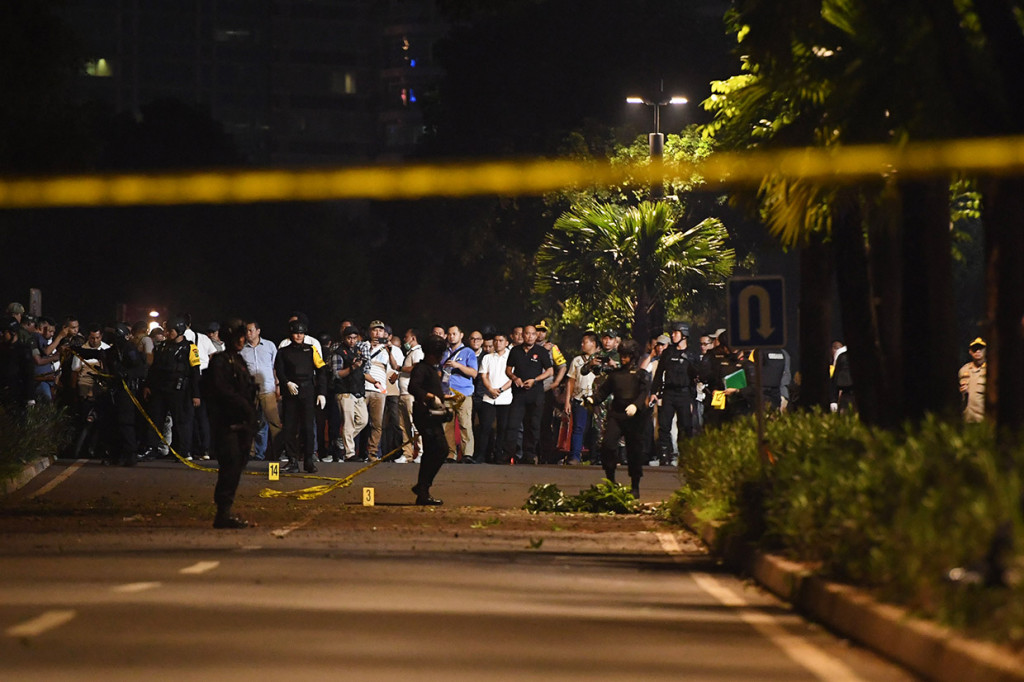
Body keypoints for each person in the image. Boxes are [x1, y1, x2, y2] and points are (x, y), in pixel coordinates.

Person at [204, 323, 258, 529]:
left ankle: (225, 510)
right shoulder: (220, 361)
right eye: (240, 336)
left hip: (242, 422)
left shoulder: (238, 360)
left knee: (238, 464)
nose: (243, 340)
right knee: (231, 465)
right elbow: (221, 390)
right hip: (226, 422)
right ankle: (223, 511)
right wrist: (242, 405)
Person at [587, 340, 651, 498]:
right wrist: (591, 400)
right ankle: (610, 480)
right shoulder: (615, 375)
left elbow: (644, 393)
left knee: (634, 451)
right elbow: (603, 392)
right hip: (616, 413)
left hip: (634, 417)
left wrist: (636, 406)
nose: (623, 358)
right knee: (608, 445)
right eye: (622, 355)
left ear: (633, 356)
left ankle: (635, 485)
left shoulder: (640, 374)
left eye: (627, 355)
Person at [143, 316, 201, 461]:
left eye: (170, 331)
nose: (167, 333)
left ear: (180, 330)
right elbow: (154, 369)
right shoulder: (162, 347)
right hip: (161, 389)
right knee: (156, 419)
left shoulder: (190, 347)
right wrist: (148, 386)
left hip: (180, 390)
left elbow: (195, 372)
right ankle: (152, 448)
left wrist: (196, 394)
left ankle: (184, 451)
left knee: (182, 422)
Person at [274, 319, 328, 473]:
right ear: (291, 334)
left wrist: (322, 393)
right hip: (291, 393)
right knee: (290, 427)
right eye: (296, 333)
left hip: (308, 391)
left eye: (301, 333)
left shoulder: (311, 350)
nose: (299, 336)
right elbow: (280, 371)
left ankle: (309, 460)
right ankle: (292, 460)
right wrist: (286, 383)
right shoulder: (283, 352)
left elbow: (322, 370)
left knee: (308, 427)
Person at [408, 335, 451, 505]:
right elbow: (413, 387)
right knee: (440, 450)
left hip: (433, 417)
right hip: (425, 416)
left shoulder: (431, 369)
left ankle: (423, 489)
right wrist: (430, 397)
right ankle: (423, 487)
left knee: (434, 452)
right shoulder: (422, 369)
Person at [503, 324, 553, 465]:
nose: (530, 336)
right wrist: (515, 378)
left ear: (536, 336)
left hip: (535, 393)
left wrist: (535, 380)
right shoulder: (515, 350)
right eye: (527, 334)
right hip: (519, 394)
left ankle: (529, 454)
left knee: (533, 425)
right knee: (513, 424)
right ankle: (509, 454)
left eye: (533, 334)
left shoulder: (541, 351)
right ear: (522, 335)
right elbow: (508, 370)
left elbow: (550, 371)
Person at [651, 322, 696, 466]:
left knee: (685, 425)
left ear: (684, 335)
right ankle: (664, 455)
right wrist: (654, 392)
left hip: (684, 393)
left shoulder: (691, 354)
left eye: (676, 333)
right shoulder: (668, 352)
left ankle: (685, 455)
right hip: (668, 393)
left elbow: (696, 376)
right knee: (664, 425)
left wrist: (692, 399)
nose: (673, 335)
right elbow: (659, 374)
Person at [240, 320, 281, 462]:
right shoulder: (242, 349)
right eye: (247, 331)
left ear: (258, 331)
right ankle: (251, 453)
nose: (248, 333)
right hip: (249, 390)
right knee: (250, 421)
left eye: (251, 330)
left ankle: (279, 451)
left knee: (274, 422)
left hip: (267, 389)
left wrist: (278, 385)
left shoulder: (269, 346)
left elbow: (276, 367)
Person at [440, 324, 478, 463]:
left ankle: (467, 454)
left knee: (465, 424)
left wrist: (458, 366)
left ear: (461, 335)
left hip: (463, 394)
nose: (451, 336)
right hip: (446, 393)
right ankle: (450, 454)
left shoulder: (468, 352)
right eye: (449, 334)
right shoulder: (444, 352)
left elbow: (474, 373)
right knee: (447, 425)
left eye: (454, 334)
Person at [332, 325, 369, 461]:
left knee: (363, 420)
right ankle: (349, 454)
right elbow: (337, 374)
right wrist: (352, 367)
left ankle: (342, 441)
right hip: (344, 391)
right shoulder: (339, 352)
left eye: (354, 338)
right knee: (348, 423)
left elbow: (363, 371)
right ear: (344, 338)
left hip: (358, 390)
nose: (352, 341)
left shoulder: (358, 351)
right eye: (349, 338)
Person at [563, 331, 599, 465]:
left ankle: (595, 456)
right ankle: (575, 456)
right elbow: (571, 381)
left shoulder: (602, 359)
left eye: (585, 342)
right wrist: (568, 401)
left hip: (598, 399)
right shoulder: (577, 361)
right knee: (578, 428)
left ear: (593, 343)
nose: (582, 345)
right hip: (580, 398)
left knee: (596, 429)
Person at [477, 331, 513, 464]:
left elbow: (513, 377)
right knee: (485, 427)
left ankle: (499, 455)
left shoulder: (511, 357)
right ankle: (482, 455)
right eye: (496, 341)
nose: (498, 343)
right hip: (489, 397)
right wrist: (490, 389)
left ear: (507, 343)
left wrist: (502, 389)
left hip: (505, 398)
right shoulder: (487, 357)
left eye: (501, 340)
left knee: (502, 428)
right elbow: (483, 375)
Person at [394, 328, 424, 463]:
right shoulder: (410, 352)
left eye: (406, 337)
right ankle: (407, 454)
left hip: (411, 394)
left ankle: (422, 452)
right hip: (403, 393)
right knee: (404, 426)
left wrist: (400, 368)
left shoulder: (417, 352)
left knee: (415, 424)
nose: (404, 339)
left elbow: (416, 368)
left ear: (413, 338)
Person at [958, 337, 987, 423]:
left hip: (984, 420)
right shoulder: (963, 370)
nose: (978, 351)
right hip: (967, 418)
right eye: (975, 349)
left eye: (981, 348)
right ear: (970, 351)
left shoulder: (991, 370)